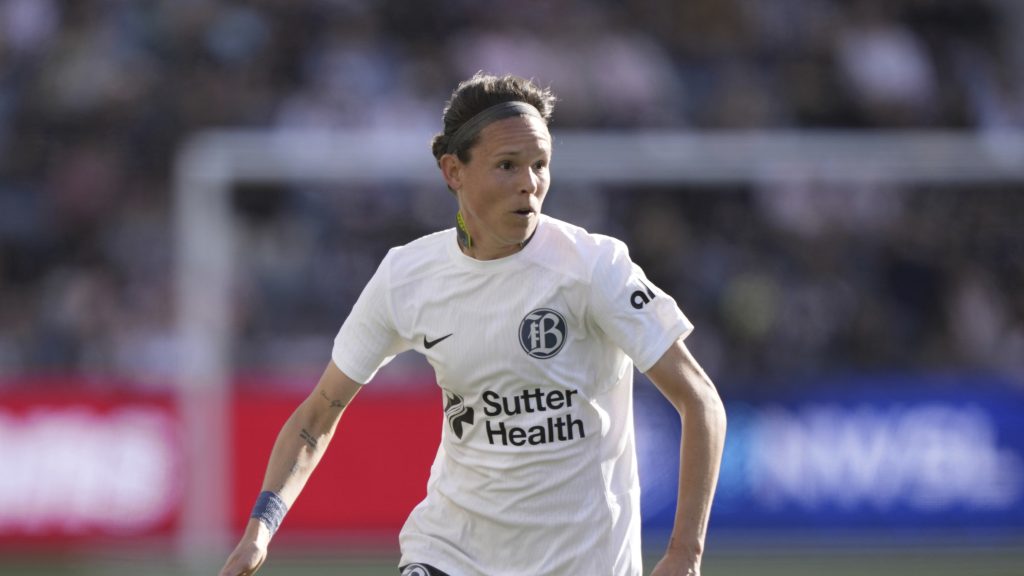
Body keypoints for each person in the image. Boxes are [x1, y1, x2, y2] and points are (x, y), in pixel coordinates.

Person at [219, 72, 727, 576]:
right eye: (508, 165)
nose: (530, 183)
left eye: (540, 165)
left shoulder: (594, 268)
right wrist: (260, 530)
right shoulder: (407, 276)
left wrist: (685, 555)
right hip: (451, 555)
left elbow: (700, 400)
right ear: (453, 171)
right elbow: (316, 417)